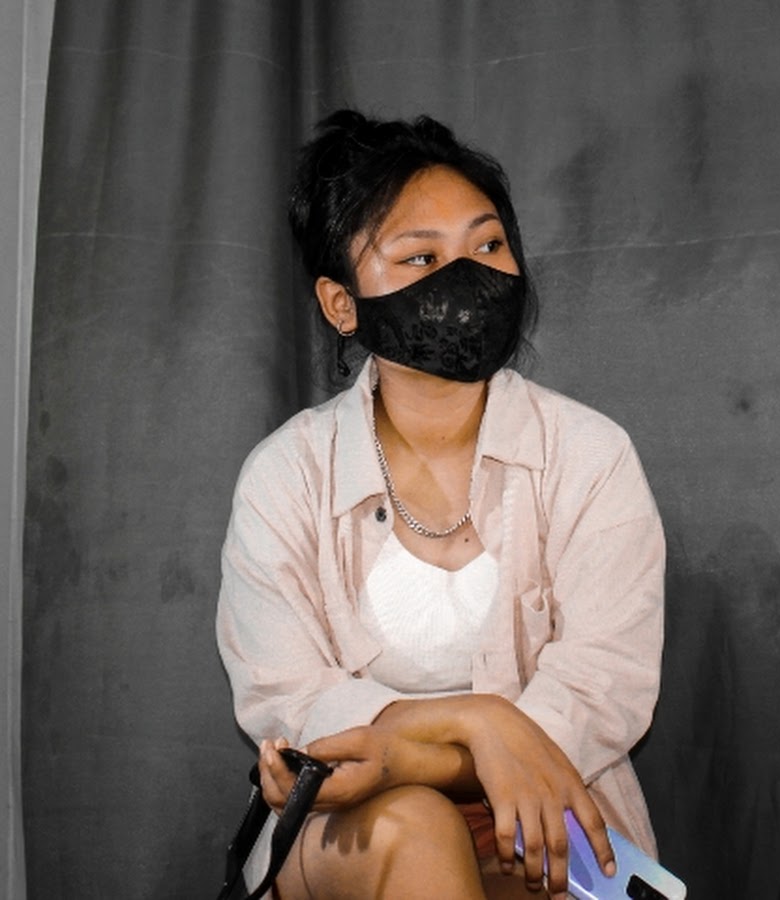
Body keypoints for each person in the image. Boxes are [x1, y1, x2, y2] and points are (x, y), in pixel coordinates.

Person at [216, 109, 665, 900]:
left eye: (488, 245)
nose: (470, 276)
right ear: (342, 303)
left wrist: (415, 753)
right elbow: (286, 700)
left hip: (547, 813)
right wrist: (481, 722)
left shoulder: (591, 454)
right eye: (422, 256)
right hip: (349, 827)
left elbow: (606, 687)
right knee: (415, 826)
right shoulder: (285, 476)